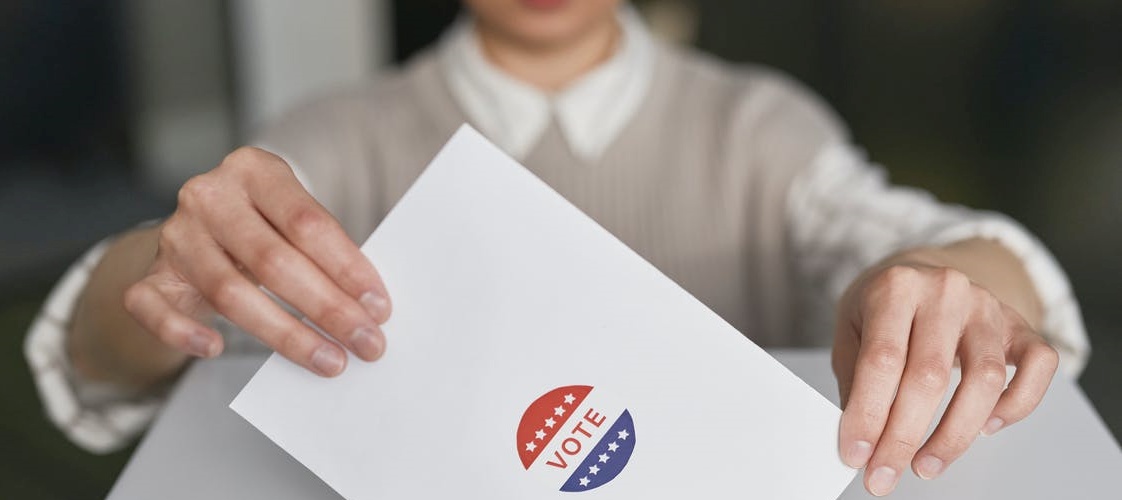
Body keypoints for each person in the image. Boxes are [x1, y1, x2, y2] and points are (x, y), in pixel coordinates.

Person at [24, 0, 1088, 496]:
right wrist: (164, 267)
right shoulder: (337, 135)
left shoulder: (759, 124)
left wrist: (950, 287)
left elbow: (929, 245)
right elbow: (92, 360)